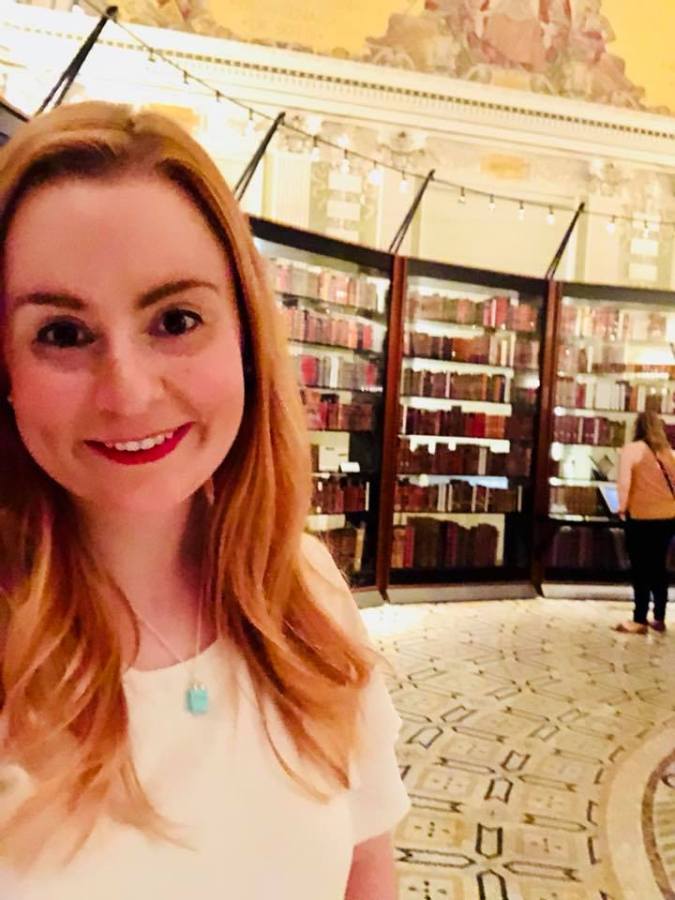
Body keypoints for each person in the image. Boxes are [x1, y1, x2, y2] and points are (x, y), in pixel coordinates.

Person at [0, 101, 410, 899]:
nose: (128, 392)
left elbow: (364, 866)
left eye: (176, 320)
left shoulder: (306, 593)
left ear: (247, 339)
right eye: (63, 334)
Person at [615, 410, 675, 634]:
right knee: (659, 566)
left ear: (636, 427)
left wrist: (622, 507)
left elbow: (624, 482)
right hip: (669, 516)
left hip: (642, 516)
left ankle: (639, 618)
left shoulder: (632, 450)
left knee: (640, 567)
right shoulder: (667, 453)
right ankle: (659, 617)